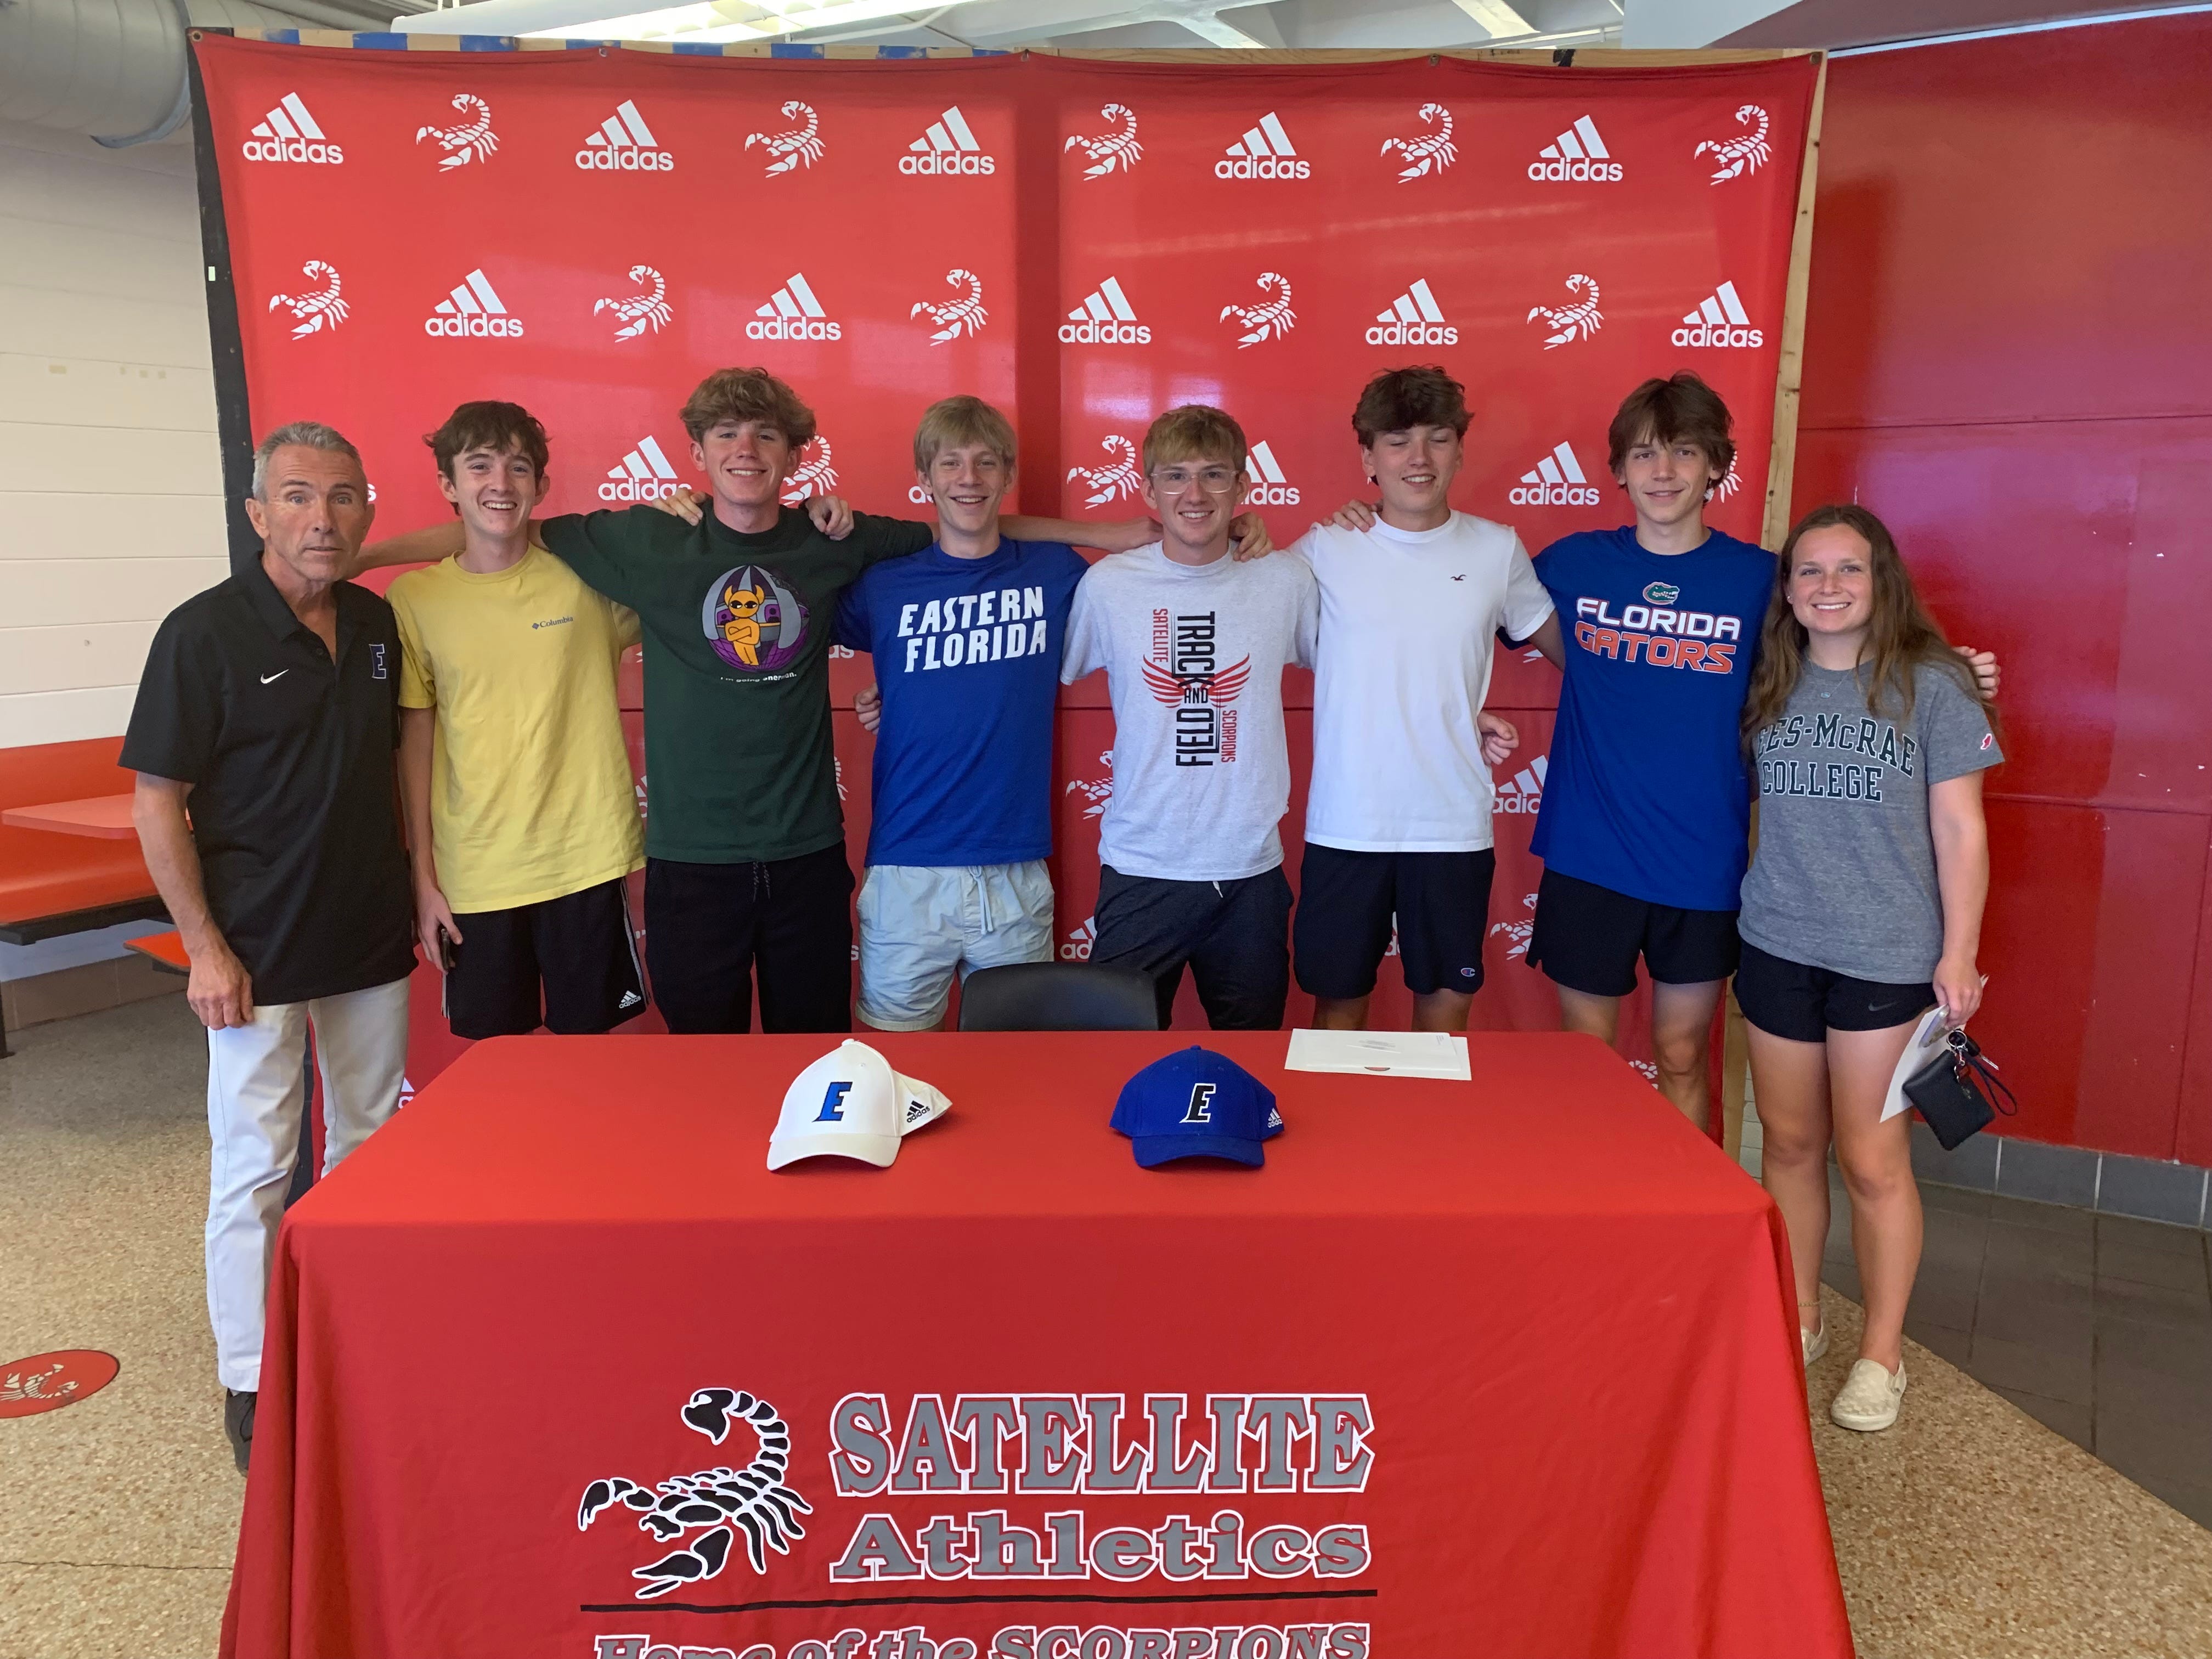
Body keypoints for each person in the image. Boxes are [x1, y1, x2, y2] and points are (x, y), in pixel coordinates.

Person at [359, 368, 1164, 1035]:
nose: (746, 451)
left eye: (766, 437)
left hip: (806, 857)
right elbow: (491, 530)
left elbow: (970, 526)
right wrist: (361, 559)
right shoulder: (648, 539)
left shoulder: (832, 538)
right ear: (699, 454)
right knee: (707, 1075)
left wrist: (1118, 534)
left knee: (816, 1058)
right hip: (690, 864)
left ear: (793, 455)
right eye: (727, 437)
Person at [1517, 374, 1999, 1129]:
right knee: (1586, 1060)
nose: (1664, 472)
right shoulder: (1569, 564)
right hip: (1589, 856)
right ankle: (1592, 1217)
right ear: (1617, 470)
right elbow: (1446, 606)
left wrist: (1953, 669)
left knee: (1681, 1053)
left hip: (1706, 865)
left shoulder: (1760, 580)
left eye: (1684, 452)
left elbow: (1851, 640)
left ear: (1717, 465)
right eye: (1644, 455)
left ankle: (1682, 1225)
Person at [123, 421, 415, 1471]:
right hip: (250, 954)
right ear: (257, 515)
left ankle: (363, 1329)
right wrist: (204, 947)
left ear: (367, 513)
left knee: (373, 1143)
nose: (321, 517)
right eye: (296, 496)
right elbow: (158, 802)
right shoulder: (201, 634)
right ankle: (251, 1375)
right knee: (254, 1167)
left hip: (369, 936)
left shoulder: (378, 623)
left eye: (343, 497)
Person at [1735, 503, 2001, 1432]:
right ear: (1789, 591)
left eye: (1848, 569)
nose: (1829, 586)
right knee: (1790, 1144)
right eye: (1809, 571)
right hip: (1775, 941)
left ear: (1880, 580)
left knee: (1872, 1157)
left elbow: (1962, 826)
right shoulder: (1768, 675)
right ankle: (1798, 1313)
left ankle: (1880, 1352)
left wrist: (1957, 951)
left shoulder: (1931, 683)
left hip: (1885, 957)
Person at [1290, 368, 1542, 1033]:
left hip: (1451, 825)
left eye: (1437, 439)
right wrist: (1246, 527)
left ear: (1460, 449)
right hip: (1348, 824)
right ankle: (1346, 1143)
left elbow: (1586, 661)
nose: (1419, 459)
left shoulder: (1498, 548)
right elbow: (1239, 599)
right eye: (1398, 441)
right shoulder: (1324, 548)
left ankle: (1428, 1141)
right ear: (1368, 458)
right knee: (1338, 1010)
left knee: (1445, 1011)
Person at [390, 402, 645, 1039]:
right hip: (475, 876)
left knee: (594, 1063)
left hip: (584, 864)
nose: (500, 484)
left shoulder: (586, 580)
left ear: (540, 485)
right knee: (497, 1072)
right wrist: (423, 880)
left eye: (518, 467)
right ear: (449, 486)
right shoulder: (413, 600)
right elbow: (415, 745)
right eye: (479, 467)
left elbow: (694, 571)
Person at [828, 398, 1085, 1029]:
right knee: (897, 1071)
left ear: (1007, 476)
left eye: (985, 463)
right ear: (925, 479)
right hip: (906, 869)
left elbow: (1164, 574)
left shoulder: (1058, 573)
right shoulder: (884, 584)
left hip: (1013, 870)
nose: (968, 479)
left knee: (1019, 1072)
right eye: (951, 464)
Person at [1060, 404, 1319, 1029]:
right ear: (1148, 490)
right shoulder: (1108, 586)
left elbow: (1352, 672)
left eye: (1215, 476)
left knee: (1254, 1060)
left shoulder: (1286, 579)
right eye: (1175, 476)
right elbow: (1027, 676)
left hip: (1249, 872)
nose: (1195, 494)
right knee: (1109, 1058)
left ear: (1244, 488)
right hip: (1143, 865)